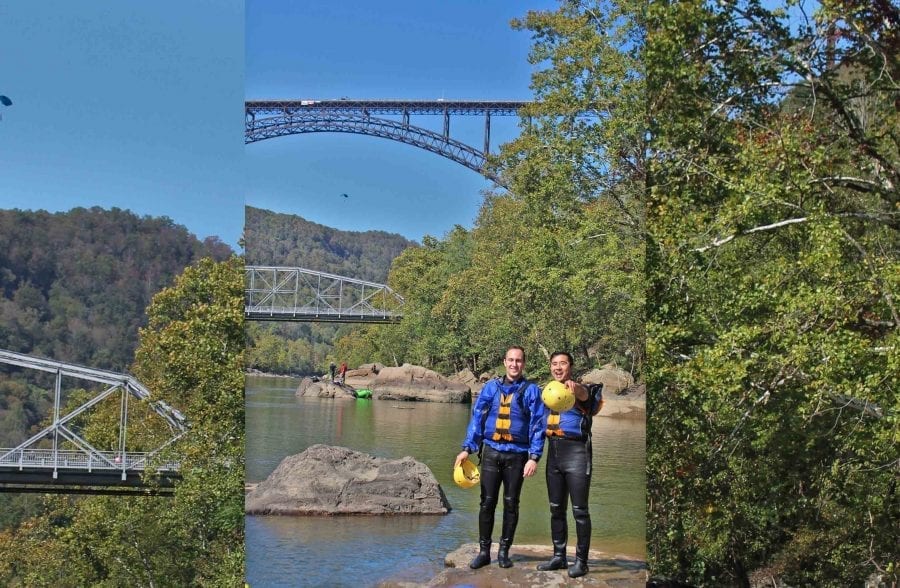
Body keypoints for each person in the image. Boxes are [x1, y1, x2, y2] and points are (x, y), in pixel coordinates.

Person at [454, 346, 546, 569]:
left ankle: (504, 552)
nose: (514, 364)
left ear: (524, 364)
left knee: (511, 503)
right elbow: (477, 419)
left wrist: (534, 457)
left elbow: (537, 425)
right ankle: (484, 552)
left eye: (519, 361)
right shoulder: (490, 388)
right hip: (492, 453)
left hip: (517, 456)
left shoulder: (531, 391)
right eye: (511, 360)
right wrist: (468, 448)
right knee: (487, 502)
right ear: (504, 362)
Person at [536, 351, 602, 578]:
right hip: (553, 453)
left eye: (562, 363)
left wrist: (578, 389)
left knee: (580, 511)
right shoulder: (548, 393)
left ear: (570, 367)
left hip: (577, 453)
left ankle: (582, 562)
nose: (558, 367)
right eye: (554, 364)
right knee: (556, 508)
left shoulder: (582, 389)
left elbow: (588, 400)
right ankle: (559, 556)